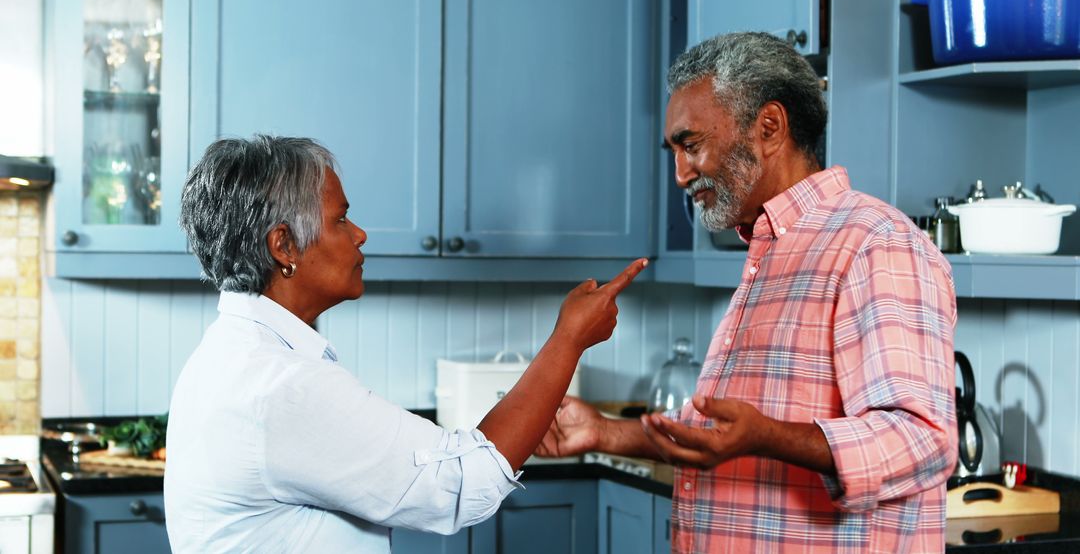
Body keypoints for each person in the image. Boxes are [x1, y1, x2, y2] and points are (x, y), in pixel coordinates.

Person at [537, 32, 957, 553]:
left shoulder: (876, 243)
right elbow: (726, 434)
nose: (680, 174)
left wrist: (769, 436)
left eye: (691, 146)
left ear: (769, 127)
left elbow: (922, 441)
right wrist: (605, 434)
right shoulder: (772, 252)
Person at [164, 134, 646, 552]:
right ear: (284, 246)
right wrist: (568, 340)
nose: (360, 234)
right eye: (340, 220)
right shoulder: (282, 387)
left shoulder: (231, 356)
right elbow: (462, 484)